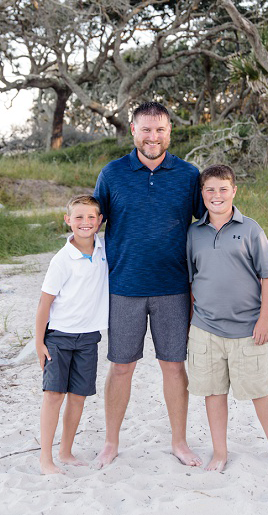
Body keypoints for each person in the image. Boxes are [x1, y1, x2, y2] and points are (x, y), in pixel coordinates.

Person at [91, 101, 205, 469]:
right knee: (121, 367)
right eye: (146, 129)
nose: (153, 137)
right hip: (124, 286)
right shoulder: (112, 174)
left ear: (170, 131)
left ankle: (179, 442)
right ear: (132, 129)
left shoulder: (189, 175)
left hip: (174, 287)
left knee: (173, 366)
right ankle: (111, 442)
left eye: (160, 130)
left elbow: (207, 227)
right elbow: (91, 225)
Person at [186, 164, 268, 470]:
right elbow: (193, 282)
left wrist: (265, 320)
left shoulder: (250, 229)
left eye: (223, 189)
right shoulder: (194, 233)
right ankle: (220, 452)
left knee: (260, 391)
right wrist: (192, 326)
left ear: (234, 191)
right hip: (205, 330)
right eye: (210, 190)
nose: (216, 195)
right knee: (213, 392)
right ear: (202, 194)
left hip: (248, 329)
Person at [35, 194, 109, 475]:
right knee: (53, 395)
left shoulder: (104, 249)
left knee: (78, 397)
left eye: (91, 217)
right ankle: (46, 458)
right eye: (78, 217)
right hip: (59, 338)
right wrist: (39, 342)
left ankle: (65, 452)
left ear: (100, 221)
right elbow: (45, 302)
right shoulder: (61, 259)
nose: (85, 222)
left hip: (89, 338)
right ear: (68, 220)